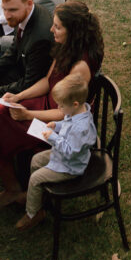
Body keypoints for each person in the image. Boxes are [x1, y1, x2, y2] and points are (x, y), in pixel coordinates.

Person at [0, 1, 103, 232]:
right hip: (44, 106)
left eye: (57, 27)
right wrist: (19, 96)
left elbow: (65, 112)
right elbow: (47, 81)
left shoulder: (81, 66)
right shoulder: (65, 47)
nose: (51, 30)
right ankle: (3, 189)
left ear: (73, 31)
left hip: (60, 125)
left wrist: (27, 113)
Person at [17, 71, 98, 231]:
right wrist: (56, 125)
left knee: (35, 178)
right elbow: (66, 124)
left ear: (74, 104)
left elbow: (70, 151)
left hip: (70, 166)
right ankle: (39, 197)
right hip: (61, 156)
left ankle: (33, 214)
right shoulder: (76, 112)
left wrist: (53, 137)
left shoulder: (81, 128)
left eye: (61, 105)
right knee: (35, 160)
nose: (59, 108)